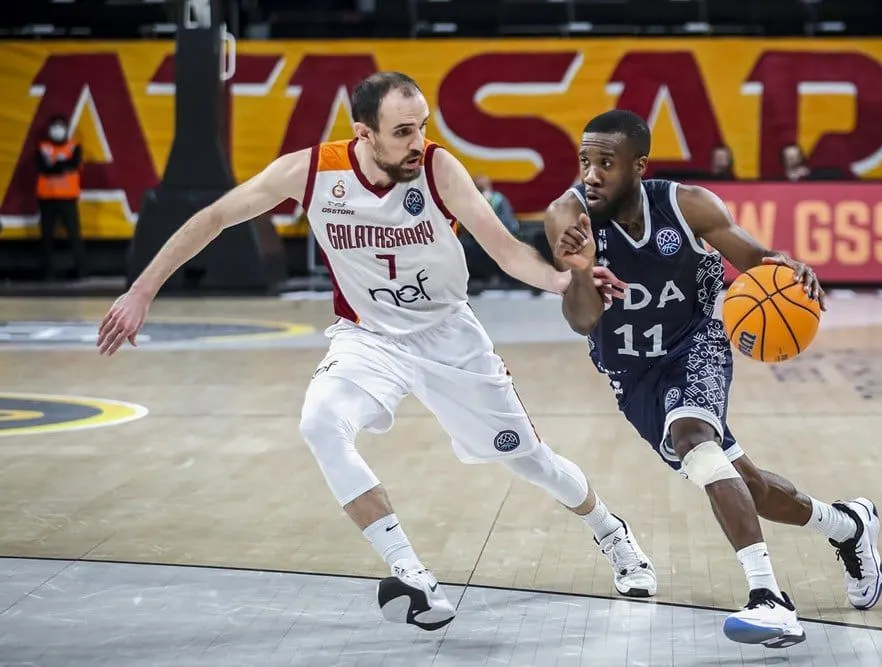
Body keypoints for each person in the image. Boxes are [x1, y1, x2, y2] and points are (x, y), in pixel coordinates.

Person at [95, 73, 657, 631]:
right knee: (320, 422)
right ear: (363, 133)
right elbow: (215, 217)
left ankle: (611, 532)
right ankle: (410, 571)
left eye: (423, 127)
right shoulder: (312, 170)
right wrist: (143, 290)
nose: (419, 142)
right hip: (368, 337)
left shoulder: (438, 169)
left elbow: (508, 251)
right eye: (403, 131)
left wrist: (566, 282)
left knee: (528, 460)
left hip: (448, 335)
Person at [544, 110, 882, 648]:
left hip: (695, 342)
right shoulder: (568, 216)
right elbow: (582, 319)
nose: (590, 174)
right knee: (747, 486)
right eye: (584, 161)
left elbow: (756, 261)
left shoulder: (688, 205)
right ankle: (847, 526)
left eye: (605, 163)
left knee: (695, 441)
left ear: (638, 165)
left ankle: (769, 598)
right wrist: (583, 270)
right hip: (632, 374)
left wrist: (787, 266)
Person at [36, 114, 86, 280]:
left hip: (68, 198)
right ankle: (46, 272)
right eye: (54, 126)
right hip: (47, 199)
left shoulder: (74, 147)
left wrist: (55, 166)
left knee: (74, 236)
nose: (57, 130)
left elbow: (73, 164)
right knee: (46, 237)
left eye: (61, 126)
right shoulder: (42, 147)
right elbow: (42, 168)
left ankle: (81, 270)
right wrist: (61, 167)